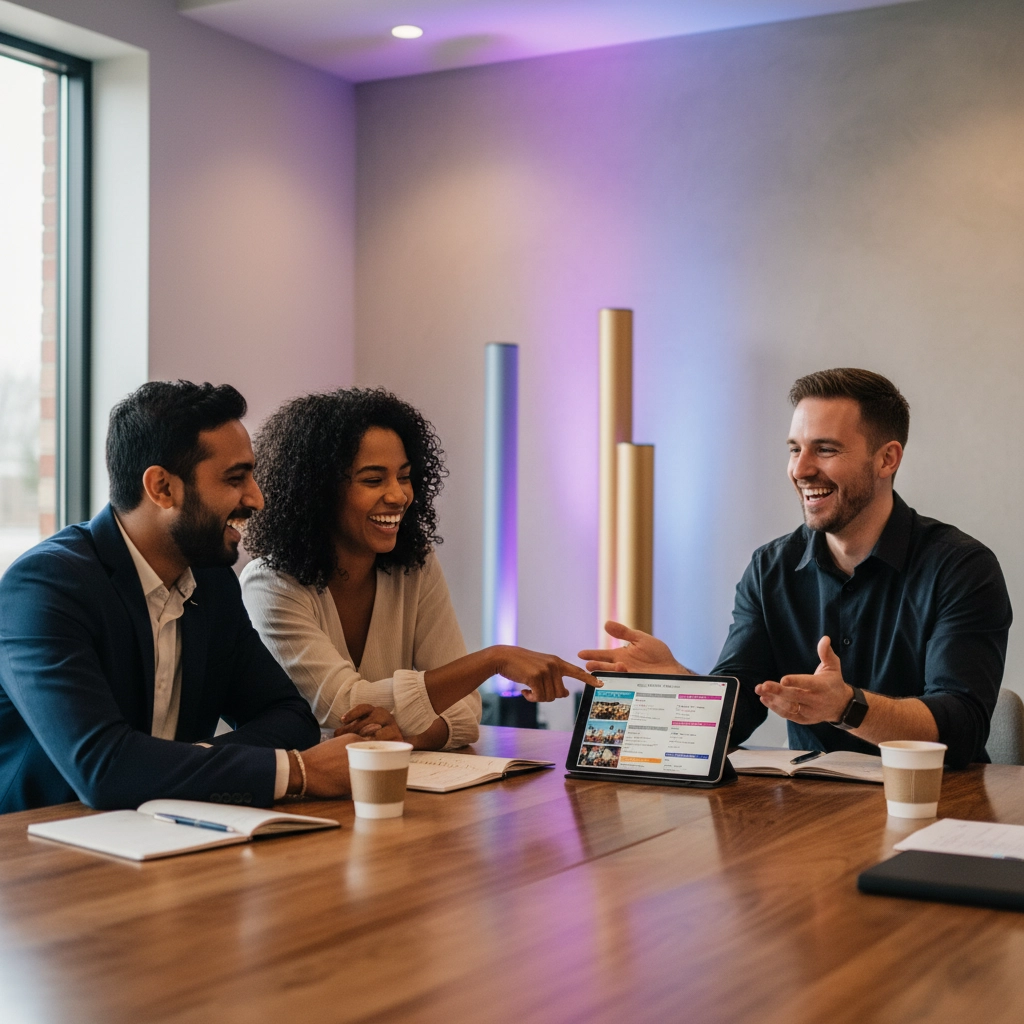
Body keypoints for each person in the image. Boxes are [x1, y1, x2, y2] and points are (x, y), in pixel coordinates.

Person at [581, 368, 1012, 769]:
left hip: (934, 807)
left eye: (825, 449)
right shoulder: (770, 568)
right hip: (813, 816)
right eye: (795, 449)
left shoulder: (961, 568)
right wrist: (682, 686)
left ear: (887, 459)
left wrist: (848, 706)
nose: (801, 470)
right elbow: (742, 706)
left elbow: (961, 725)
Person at [0, 381, 395, 814]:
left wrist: (174, 764)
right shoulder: (44, 588)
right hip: (40, 850)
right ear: (162, 488)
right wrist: (297, 771)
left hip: (166, 837)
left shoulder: (212, 582)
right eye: (235, 478)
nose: (257, 498)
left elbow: (289, 715)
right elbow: (105, 769)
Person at [241, 387, 597, 750]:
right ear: (316, 492)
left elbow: (465, 708)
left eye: (405, 476)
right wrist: (493, 660)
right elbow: (343, 708)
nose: (398, 496)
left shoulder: (414, 565)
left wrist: (406, 739)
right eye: (373, 480)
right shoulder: (269, 585)